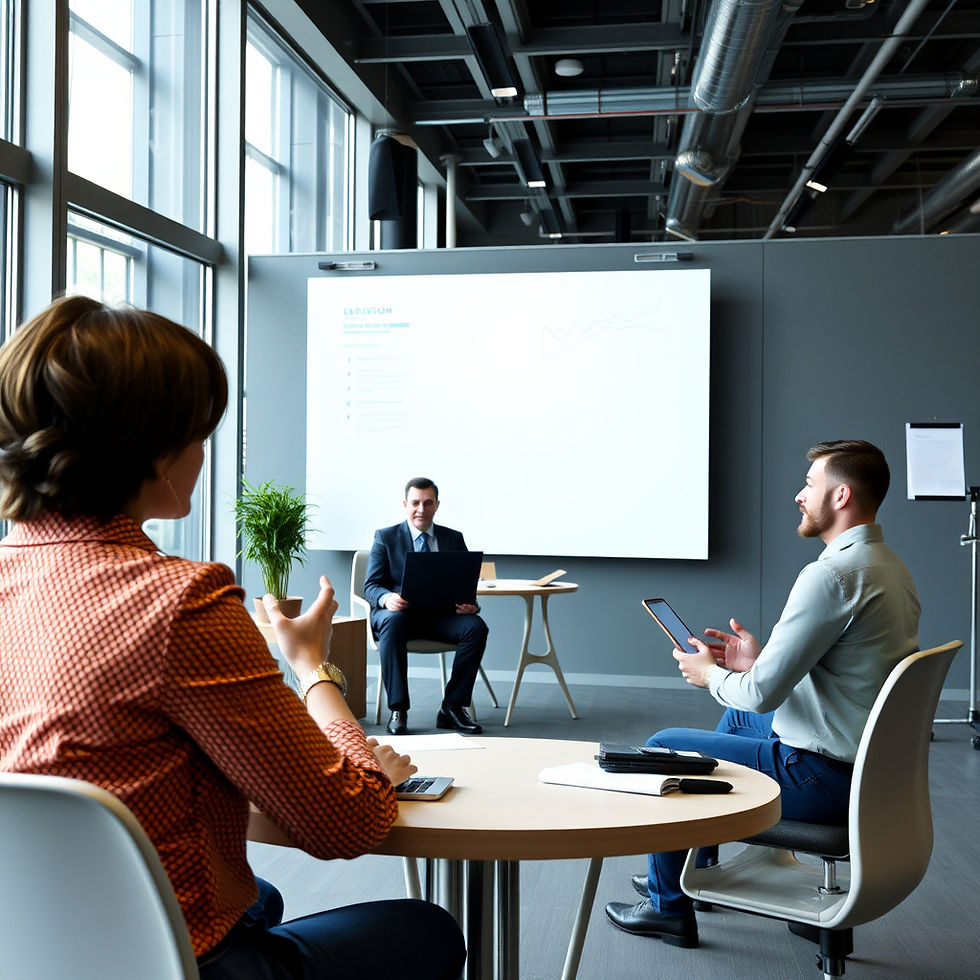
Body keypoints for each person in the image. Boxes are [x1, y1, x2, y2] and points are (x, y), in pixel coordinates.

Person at [0, 296, 465, 980]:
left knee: (261, 897)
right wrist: (311, 669)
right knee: (427, 930)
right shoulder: (177, 600)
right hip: (172, 962)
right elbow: (345, 822)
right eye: (199, 434)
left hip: (29, 943)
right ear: (159, 453)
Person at [605, 440, 920, 950]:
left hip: (822, 775)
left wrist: (711, 674)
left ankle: (668, 910)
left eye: (810, 485)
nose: (799, 495)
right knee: (733, 726)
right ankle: (693, 871)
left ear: (840, 496)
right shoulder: (888, 568)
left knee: (664, 746)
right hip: (867, 765)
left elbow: (758, 696)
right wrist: (755, 664)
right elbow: (839, 670)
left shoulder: (831, 574)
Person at [364, 478, 488, 735]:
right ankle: (399, 709)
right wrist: (387, 599)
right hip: (398, 619)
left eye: (428, 503)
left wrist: (471, 605)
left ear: (437, 505)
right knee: (393, 620)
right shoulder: (385, 538)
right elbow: (371, 586)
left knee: (475, 627)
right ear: (405, 505)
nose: (421, 509)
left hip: (440, 618)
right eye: (415, 503)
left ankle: (452, 707)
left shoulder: (453, 538)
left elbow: (465, 584)